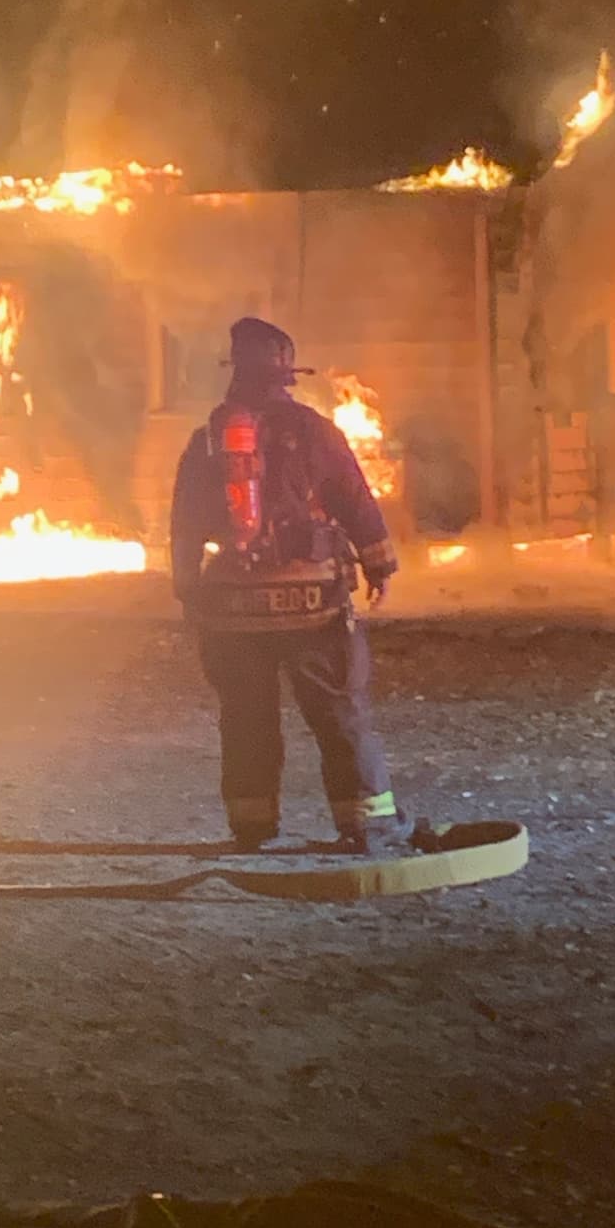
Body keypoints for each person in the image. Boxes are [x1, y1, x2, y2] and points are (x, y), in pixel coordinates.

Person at [171, 316, 415, 855]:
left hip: (231, 611)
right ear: (286, 376)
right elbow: (354, 501)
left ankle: (252, 825)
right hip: (313, 606)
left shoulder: (209, 439)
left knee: (246, 719)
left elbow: (185, 520)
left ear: (235, 372)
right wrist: (380, 564)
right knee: (338, 713)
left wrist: (188, 588)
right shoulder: (313, 431)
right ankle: (367, 824)